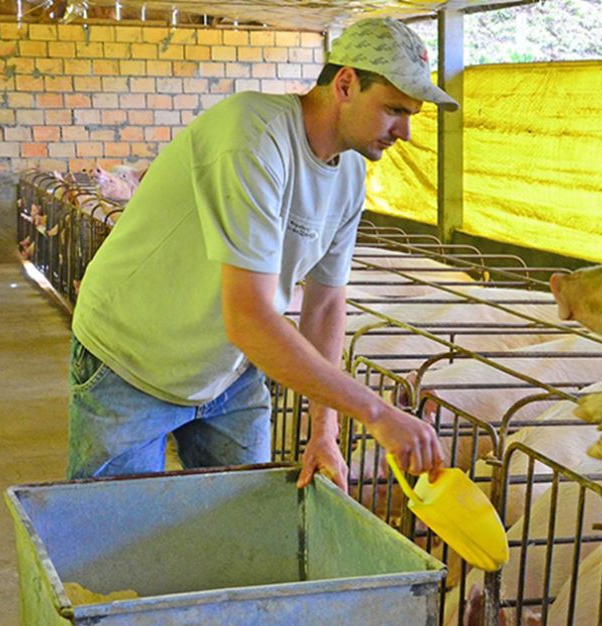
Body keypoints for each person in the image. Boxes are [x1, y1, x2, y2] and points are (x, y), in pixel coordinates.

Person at [67, 17, 457, 492]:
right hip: (131, 360)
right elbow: (249, 317)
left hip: (229, 375)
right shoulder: (252, 137)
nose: (406, 132)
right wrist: (376, 412)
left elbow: (326, 303)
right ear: (346, 84)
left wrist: (324, 430)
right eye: (395, 109)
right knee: (114, 532)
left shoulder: (351, 175)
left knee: (243, 526)